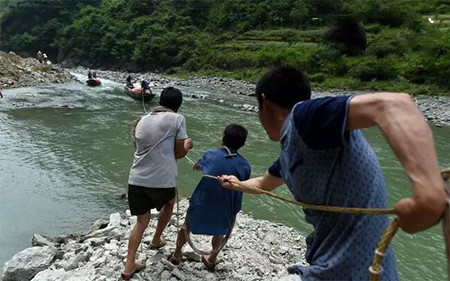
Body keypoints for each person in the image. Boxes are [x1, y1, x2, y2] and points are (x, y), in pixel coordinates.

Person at [219, 66, 447, 281]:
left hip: (345, 272)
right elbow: (263, 184)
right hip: (353, 269)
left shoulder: (304, 117)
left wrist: (428, 192)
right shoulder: (292, 152)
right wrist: (236, 183)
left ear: (264, 103)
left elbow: (395, 104)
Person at [121, 86, 193, 280]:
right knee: (169, 204)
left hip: (136, 178)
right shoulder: (178, 119)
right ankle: (155, 239)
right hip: (162, 180)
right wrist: (188, 144)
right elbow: (179, 153)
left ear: (161, 101)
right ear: (178, 105)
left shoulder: (142, 120)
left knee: (141, 221)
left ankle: (129, 265)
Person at [170, 124, 251, 271]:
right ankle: (211, 259)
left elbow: (200, 166)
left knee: (186, 225)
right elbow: (244, 182)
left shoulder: (211, 154)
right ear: (242, 144)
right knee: (219, 230)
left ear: (223, 139)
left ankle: (177, 254)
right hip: (226, 206)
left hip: (202, 202)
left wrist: (198, 165)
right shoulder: (245, 165)